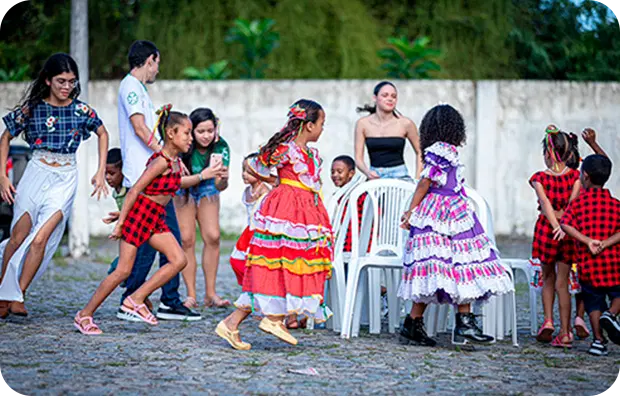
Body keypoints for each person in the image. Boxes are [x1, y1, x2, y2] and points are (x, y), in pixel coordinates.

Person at [75, 107, 212, 334]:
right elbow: (136, 190)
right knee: (122, 271)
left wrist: (201, 177)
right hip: (140, 217)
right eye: (186, 133)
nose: (191, 138)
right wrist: (122, 221)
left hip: (154, 218)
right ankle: (84, 314)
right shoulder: (160, 162)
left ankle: (136, 299)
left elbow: (170, 187)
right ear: (171, 133)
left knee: (178, 260)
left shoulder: (176, 162)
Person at [215, 99, 333, 350]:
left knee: (290, 265)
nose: (323, 129)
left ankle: (238, 323)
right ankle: (269, 319)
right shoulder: (287, 150)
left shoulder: (311, 154)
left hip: (304, 212)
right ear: (309, 125)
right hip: (286, 211)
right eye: (322, 124)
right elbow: (255, 164)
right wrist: (279, 182)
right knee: (275, 265)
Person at [0, 53, 109, 318]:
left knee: (41, 238)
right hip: (36, 172)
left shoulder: (82, 111)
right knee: (18, 237)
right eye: (61, 81)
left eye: (71, 82)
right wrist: (2, 176)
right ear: (48, 80)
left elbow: (102, 132)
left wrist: (101, 170)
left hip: (65, 177)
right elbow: (5, 136)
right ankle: (3, 295)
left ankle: (18, 295)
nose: (66, 87)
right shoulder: (33, 108)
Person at [398, 104, 513, 347]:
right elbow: (425, 182)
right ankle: (456, 323)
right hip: (442, 213)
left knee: (444, 267)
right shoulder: (441, 150)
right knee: (455, 266)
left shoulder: (440, 150)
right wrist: (411, 211)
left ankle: (420, 322)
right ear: (454, 128)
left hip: (446, 211)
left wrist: (413, 211)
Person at [117, 40, 199, 321]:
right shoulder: (130, 87)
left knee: (156, 244)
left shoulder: (139, 90)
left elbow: (148, 126)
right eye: (157, 63)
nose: (158, 70)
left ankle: (153, 298)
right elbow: (140, 129)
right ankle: (141, 299)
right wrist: (169, 157)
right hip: (147, 176)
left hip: (155, 175)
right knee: (149, 246)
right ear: (149, 60)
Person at [561, 154, 620, 356]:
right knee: (617, 294)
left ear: (585, 176)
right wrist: (605, 243)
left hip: (588, 264)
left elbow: (565, 224)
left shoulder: (577, 205)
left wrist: (587, 241)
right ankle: (611, 314)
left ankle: (598, 340)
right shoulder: (616, 205)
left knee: (593, 302)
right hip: (614, 264)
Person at [529, 125, 581, 347]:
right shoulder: (576, 176)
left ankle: (548, 321)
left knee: (547, 277)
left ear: (547, 153)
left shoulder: (539, 178)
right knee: (563, 282)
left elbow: (545, 203)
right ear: (568, 153)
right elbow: (574, 204)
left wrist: (554, 226)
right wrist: (564, 226)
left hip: (546, 231)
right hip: (568, 231)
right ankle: (566, 331)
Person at [174, 108, 229, 309]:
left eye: (210, 130)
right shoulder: (183, 145)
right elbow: (175, 182)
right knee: (186, 239)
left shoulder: (221, 147)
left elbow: (221, 186)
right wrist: (203, 175)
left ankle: (210, 294)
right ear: (192, 131)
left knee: (213, 236)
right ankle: (191, 295)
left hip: (208, 188)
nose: (206, 136)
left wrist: (223, 179)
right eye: (200, 131)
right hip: (184, 189)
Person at [354, 81, 423, 181]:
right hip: (375, 176)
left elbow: (420, 151)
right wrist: (367, 172)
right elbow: (358, 159)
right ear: (375, 98)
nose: (390, 99)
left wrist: (417, 178)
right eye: (385, 95)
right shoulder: (363, 124)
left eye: (394, 96)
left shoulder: (406, 123)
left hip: (400, 176)